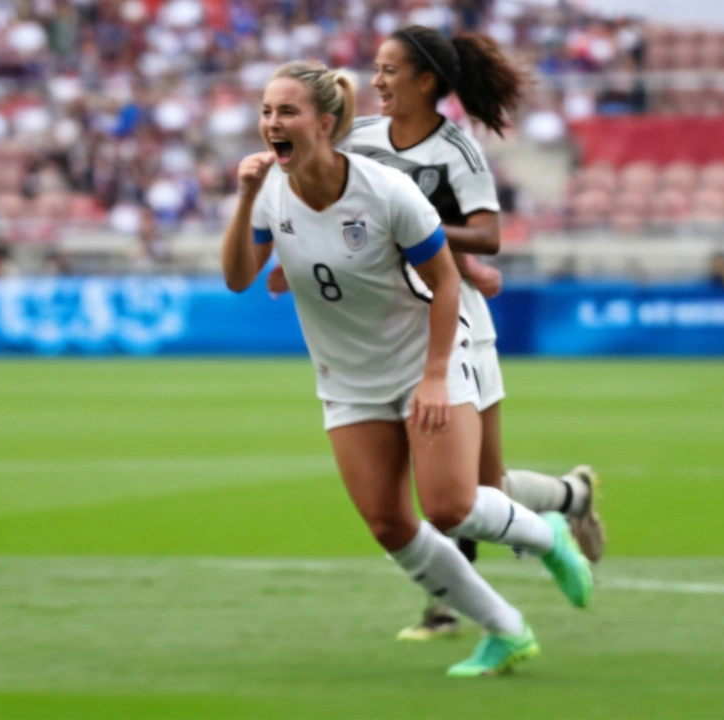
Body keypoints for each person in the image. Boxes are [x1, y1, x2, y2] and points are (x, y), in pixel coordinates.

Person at [222, 60, 592, 678]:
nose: (271, 123)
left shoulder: (385, 190)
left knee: (449, 507)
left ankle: (549, 534)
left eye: (286, 111)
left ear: (326, 121)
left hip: (426, 358)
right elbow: (238, 278)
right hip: (347, 379)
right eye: (265, 111)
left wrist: (435, 376)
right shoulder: (269, 193)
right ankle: (506, 630)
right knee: (389, 524)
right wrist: (244, 199)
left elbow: (446, 283)